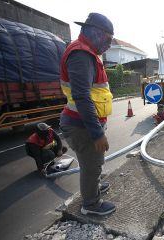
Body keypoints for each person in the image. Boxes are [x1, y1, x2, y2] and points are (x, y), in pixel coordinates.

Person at [59, 13, 115, 216]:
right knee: (91, 164)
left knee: (93, 162)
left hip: (83, 122)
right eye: (107, 39)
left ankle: (94, 186)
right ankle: (91, 205)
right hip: (80, 124)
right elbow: (82, 96)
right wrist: (97, 133)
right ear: (94, 33)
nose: (109, 45)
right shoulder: (81, 54)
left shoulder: (88, 52)